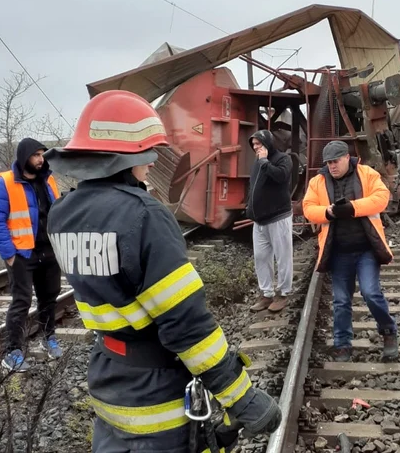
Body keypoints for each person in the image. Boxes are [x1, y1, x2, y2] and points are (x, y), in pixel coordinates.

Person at [43, 90, 281, 453]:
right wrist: (241, 397)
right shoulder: (143, 215)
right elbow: (186, 325)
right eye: (147, 152)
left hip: (108, 380)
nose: (152, 162)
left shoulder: (62, 214)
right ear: (123, 156)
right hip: (155, 394)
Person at [302, 140, 398, 362]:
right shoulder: (318, 182)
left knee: (371, 293)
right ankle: (342, 344)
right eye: (328, 163)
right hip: (338, 252)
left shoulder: (367, 174)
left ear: (347, 157)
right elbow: (308, 208)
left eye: (336, 161)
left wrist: (353, 208)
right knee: (341, 300)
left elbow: (382, 198)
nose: (332, 166)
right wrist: (328, 212)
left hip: (366, 250)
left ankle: (389, 332)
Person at [0, 138, 63, 372]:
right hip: (22, 253)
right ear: (24, 158)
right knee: (21, 302)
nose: (41, 159)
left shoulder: (49, 179)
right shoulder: (5, 183)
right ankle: (12, 352)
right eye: (36, 155)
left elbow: (59, 211)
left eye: (42, 154)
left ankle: (48, 337)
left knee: (49, 297)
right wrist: (9, 254)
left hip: (48, 251)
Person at [246, 129, 294, 313]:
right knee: (260, 257)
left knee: (283, 256)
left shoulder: (283, 159)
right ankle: (266, 294)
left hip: (278, 217)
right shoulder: (257, 162)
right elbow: (254, 185)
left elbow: (281, 177)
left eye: (259, 143)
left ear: (268, 143)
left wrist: (265, 162)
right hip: (259, 221)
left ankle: (283, 293)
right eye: (254, 145)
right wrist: (249, 206)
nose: (256, 147)